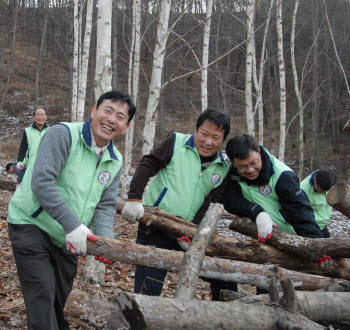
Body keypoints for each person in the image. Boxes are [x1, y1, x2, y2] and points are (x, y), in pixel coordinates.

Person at [7, 90, 136, 330]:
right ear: (93, 111)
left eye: (120, 117)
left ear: (126, 127)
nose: (111, 119)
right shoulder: (63, 134)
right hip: (31, 225)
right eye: (107, 110)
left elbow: (106, 204)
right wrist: (74, 225)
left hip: (68, 240)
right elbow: (42, 182)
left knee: (62, 305)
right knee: (42, 298)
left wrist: (105, 238)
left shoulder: (115, 159)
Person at [121, 108, 232, 299]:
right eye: (204, 134)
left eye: (215, 137)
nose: (208, 142)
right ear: (196, 130)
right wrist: (134, 198)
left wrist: (193, 230)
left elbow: (211, 202)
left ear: (222, 140)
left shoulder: (223, 166)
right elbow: (147, 164)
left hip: (188, 233)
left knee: (222, 276)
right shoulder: (176, 143)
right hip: (155, 225)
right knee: (149, 287)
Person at [222, 134, 324, 241]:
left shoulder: (283, 176)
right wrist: (257, 212)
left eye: (254, 163)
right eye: (243, 167)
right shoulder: (232, 173)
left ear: (259, 153)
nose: (250, 170)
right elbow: (230, 200)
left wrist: (316, 244)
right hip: (263, 237)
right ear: (233, 163)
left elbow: (300, 212)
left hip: (292, 237)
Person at [16, 108, 50, 183]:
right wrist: (19, 161)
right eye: (38, 115)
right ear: (34, 117)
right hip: (29, 165)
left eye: (42, 115)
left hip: (46, 166)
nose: (40, 117)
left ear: (46, 117)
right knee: (24, 185)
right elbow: (23, 147)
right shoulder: (27, 131)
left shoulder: (51, 130)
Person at [300, 169, 337, 238]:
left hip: (323, 224)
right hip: (312, 226)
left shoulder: (328, 177)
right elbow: (303, 214)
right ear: (315, 181)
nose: (324, 193)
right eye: (322, 190)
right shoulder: (303, 191)